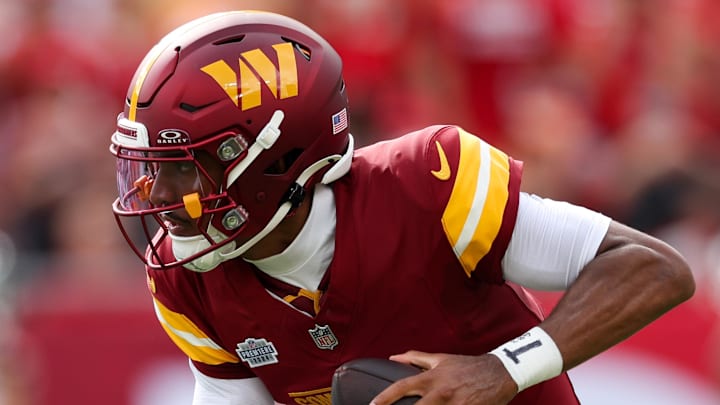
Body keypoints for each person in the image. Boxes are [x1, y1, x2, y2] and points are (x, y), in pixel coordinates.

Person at [109, 11, 695, 405]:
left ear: (273, 155)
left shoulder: (424, 186)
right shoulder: (187, 276)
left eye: (184, 166)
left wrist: (502, 369)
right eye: (152, 169)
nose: (158, 197)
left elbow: (652, 267)